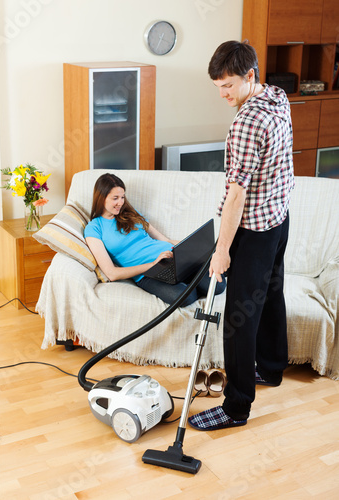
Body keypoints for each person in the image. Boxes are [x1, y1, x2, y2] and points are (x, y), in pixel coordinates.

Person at [188, 40, 295, 431]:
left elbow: (236, 195)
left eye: (229, 85)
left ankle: (236, 407)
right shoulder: (277, 97)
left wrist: (223, 250)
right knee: (270, 295)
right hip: (279, 221)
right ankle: (270, 367)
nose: (223, 95)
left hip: (253, 230)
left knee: (237, 319)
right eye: (217, 86)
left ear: (250, 76)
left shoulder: (247, 122)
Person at [84, 173, 226, 306]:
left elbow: (165, 240)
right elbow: (112, 273)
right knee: (186, 296)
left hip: (172, 258)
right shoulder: (94, 228)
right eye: (115, 198)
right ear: (101, 198)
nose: (120, 203)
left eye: (122, 197)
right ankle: (190, 281)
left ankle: (192, 275)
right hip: (147, 274)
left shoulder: (132, 214)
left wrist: (194, 248)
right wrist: (153, 264)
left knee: (218, 286)